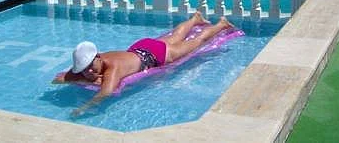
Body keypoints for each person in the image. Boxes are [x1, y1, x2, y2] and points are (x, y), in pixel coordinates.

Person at [53, 12, 234, 116]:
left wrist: (82, 109)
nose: (89, 71)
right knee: (175, 36)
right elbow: (58, 79)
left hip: (157, 55)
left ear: (98, 57)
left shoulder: (113, 69)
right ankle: (195, 19)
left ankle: (221, 24)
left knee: (197, 42)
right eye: (84, 70)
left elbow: (106, 92)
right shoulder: (97, 60)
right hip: (141, 46)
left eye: (90, 67)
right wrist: (80, 76)